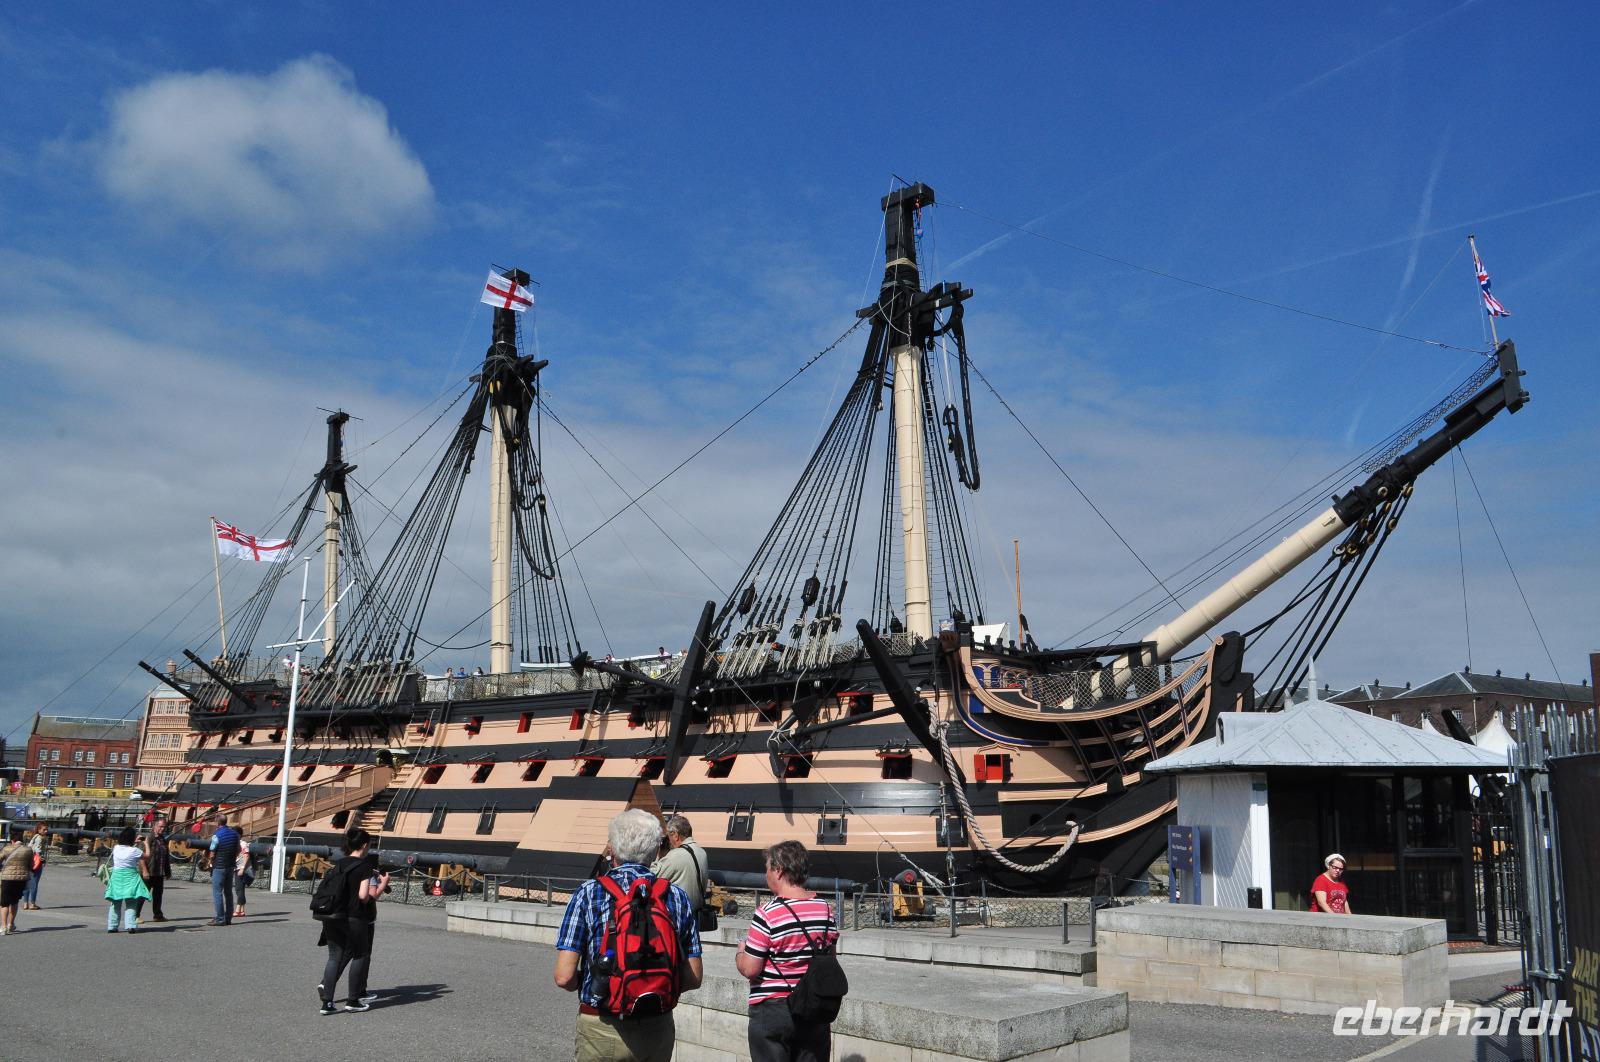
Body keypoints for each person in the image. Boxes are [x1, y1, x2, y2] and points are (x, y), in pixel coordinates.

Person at [554, 808, 703, 1062]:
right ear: (657, 850)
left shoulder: (588, 893)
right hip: (657, 1029)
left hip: (602, 1025)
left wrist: (601, 981)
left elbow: (564, 976)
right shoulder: (677, 897)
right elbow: (693, 978)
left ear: (612, 849)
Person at [735, 840, 840, 1062]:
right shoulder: (824, 909)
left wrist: (740, 953)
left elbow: (751, 969)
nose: (766, 875)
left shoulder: (767, 914)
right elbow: (829, 959)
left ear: (779, 871)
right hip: (813, 1007)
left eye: (767, 869)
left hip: (773, 1010)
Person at [318, 827, 389, 1014]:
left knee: (334, 957)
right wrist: (381, 885)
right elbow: (364, 896)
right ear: (364, 845)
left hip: (332, 916)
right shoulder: (364, 867)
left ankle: (327, 1003)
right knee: (360, 955)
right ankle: (353, 999)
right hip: (354, 917)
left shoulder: (338, 864)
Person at [650, 814, 709, 911]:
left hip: (680, 915)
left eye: (669, 836)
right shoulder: (702, 852)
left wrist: (658, 855)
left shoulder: (676, 855)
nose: (668, 841)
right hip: (696, 912)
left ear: (675, 835)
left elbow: (652, 876)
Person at [104, 826, 153, 933]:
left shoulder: (116, 848)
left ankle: (112, 926)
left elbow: (126, 847)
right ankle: (130, 925)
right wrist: (146, 844)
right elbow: (147, 856)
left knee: (115, 903)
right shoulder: (135, 850)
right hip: (130, 877)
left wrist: (134, 841)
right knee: (131, 903)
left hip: (117, 877)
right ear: (132, 839)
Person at [208, 814, 241, 926]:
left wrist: (210, 861)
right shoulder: (235, 834)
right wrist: (233, 858)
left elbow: (212, 851)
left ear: (218, 822)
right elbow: (239, 849)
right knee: (228, 892)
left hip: (219, 866)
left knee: (217, 892)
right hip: (230, 866)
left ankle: (220, 918)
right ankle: (228, 918)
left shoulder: (216, 835)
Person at [0, 833, 31, 934]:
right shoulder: (28, 850)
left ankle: (3, 927)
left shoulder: (6, 848)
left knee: (4, 903)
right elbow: (30, 865)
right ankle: (11, 924)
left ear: (12, 840)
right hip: (21, 879)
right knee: (14, 902)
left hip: (7, 878)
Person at [144, 817, 172, 921]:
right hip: (149, 871)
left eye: (164, 827)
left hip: (159, 872)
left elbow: (165, 856)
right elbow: (141, 857)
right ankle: (135, 915)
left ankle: (158, 915)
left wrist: (167, 871)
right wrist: (144, 870)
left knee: (158, 895)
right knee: (143, 894)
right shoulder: (149, 838)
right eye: (160, 826)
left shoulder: (162, 839)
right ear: (154, 826)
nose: (163, 829)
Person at [22, 823, 48, 910]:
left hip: (29, 860)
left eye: (46, 829)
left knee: (27, 883)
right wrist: (42, 859)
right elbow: (38, 850)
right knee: (34, 883)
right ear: (39, 830)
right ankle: (32, 903)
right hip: (36, 862)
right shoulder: (40, 838)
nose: (46, 831)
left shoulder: (34, 837)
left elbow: (30, 847)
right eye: (44, 829)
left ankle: (25, 903)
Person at [233, 832, 257, 918]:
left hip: (241, 869)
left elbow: (246, 856)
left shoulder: (242, 844)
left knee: (239, 889)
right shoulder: (238, 843)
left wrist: (242, 868)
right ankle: (242, 910)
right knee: (240, 889)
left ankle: (237, 909)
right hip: (237, 868)